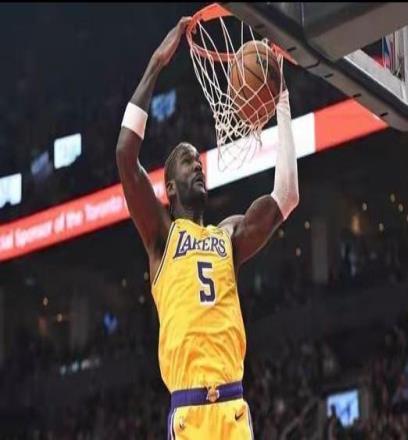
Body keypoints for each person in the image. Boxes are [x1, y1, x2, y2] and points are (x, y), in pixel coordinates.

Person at [115, 17, 299, 440]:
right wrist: (156, 64)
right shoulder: (161, 237)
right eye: (186, 161)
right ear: (169, 187)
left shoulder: (227, 237)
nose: (197, 165)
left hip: (233, 409)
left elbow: (286, 197)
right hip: (190, 414)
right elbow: (126, 153)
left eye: (198, 161)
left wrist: (283, 100)